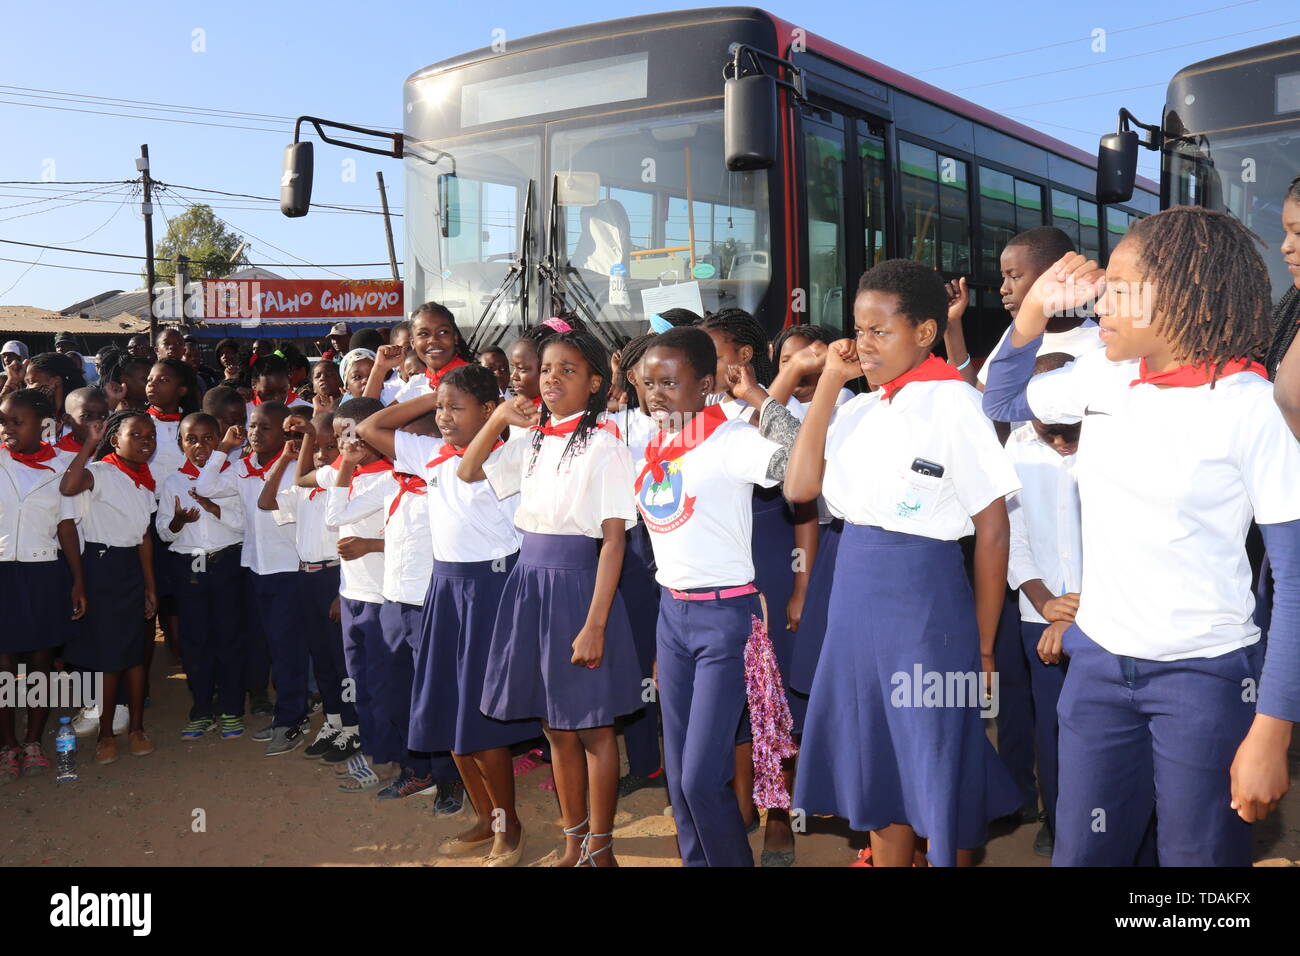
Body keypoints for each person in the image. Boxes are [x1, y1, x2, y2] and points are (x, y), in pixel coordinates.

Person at [983, 207, 1300, 867]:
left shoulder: (1248, 406)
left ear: (1186, 297)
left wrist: (1271, 733)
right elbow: (1002, 401)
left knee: (1197, 867)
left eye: (1120, 288)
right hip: (1096, 669)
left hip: (1205, 679)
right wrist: (1035, 310)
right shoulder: (1105, 374)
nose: (1101, 301)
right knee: (1083, 854)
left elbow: (1295, 585)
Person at [786, 258, 1023, 867]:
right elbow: (799, 490)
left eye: (879, 331)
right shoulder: (860, 408)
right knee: (877, 758)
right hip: (853, 599)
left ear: (923, 332)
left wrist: (987, 647)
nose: (863, 345)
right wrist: (832, 388)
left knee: (937, 755)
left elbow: (993, 531)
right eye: (858, 331)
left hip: (924, 605)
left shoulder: (953, 403)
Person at [457, 329, 642, 867]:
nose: (553, 378)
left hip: (579, 589)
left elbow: (614, 541)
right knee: (556, 727)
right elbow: (469, 470)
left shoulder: (606, 444)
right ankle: (572, 841)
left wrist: (596, 624)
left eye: (568, 369)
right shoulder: (532, 439)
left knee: (593, 727)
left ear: (594, 383)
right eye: (546, 369)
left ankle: (601, 848)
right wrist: (496, 420)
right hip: (530, 585)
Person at [633, 327, 802, 866]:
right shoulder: (654, 444)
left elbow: (802, 458)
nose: (655, 394)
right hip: (673, 614)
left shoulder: (729, 440)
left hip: (725, 618)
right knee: (680, 778)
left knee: (703, 777)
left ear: (706, 384)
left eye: (670, 383)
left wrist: (757, 396)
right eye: (648, 382)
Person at [358, 363, 538, 865]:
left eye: (456, 409)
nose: (443, 418)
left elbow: (473, 467)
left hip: (492, 591)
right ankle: (484, 817)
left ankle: (510, 825)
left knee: (480, 726)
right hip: (445, 588)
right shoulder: (431, 453)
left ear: (488, 410)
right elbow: (372, 427)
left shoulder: (511, 455)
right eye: (440, 408)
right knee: (449, 716)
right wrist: (433, 394)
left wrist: (497, 417)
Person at [698, 308, 811, 859]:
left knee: (773, 696)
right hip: (712, 579)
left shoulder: (771, 414)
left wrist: (799, 586)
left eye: (711, 352)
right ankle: (740, 803)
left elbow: (805, 501)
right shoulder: (692, 415)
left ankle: (779, 816)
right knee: (732, 700)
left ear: (743, 359)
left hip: (767, 567)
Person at [1002, 352, 1083, 858]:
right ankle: (1058, 823)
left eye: (1068, 431)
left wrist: (1083, 607)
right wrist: (1046, 601)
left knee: (1097, 727)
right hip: (1038, 614)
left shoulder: (1110, 446)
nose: (1058, 441)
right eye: (1048, 429)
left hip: (1111, 613)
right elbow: (1013, 539)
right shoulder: (1015, 450)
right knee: (1050, 727)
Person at [195, 401, 308, 756]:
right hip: (257, 568)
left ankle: (291, 721)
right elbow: (206, 486)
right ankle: (287, 716)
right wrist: (224, 449)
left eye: (266, 428)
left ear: (285, 433)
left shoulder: (294, 469)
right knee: (272, 646)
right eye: (253, 426)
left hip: (289, 569)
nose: (256, 433)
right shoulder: (242, 468)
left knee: (288, 650)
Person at [257, 412, 362, 765]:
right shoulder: (304, 491)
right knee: (321, 659)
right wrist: (291, 454)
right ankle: (332, 722)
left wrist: (339, 593)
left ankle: (353, 727)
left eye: (329, 446)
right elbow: (266, 502)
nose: (320, 453)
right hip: (305, 577)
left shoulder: (344, 486)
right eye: (315, 447)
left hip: (335, 578)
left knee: (340, 659)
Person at [59, 410, 160, 764]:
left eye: (151, 436)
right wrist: (89, 442)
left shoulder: (144, 482)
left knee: (134, 654)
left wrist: (150, 587)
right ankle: (105, 733)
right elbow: (68, 486)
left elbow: (144, 538)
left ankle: (136, 728)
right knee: (108, 656)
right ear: (115, 440)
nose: (147, 441)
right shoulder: (101, 472)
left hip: (130, 570)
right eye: (137, 435)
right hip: (101, 567)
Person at [0, 389, 86, 780]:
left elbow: (66, 527)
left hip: (44, 570)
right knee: (2, 666)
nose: (8, 429)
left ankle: (33, 739)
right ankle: (8, 744)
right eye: (4, 421)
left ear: (44, 424)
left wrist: (78, 581)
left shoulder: (62, 467)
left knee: (40, 662)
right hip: (3, 570)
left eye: (18, 422)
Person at [155, 412, 246, 740]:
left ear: (220, 439)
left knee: (230, 637)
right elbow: (164, 533)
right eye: (191, 439)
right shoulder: (172, 481)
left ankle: (233, 709)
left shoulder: (233, 475)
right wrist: (178, 521)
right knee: (195, 641)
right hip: (189, 567)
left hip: (227, 563)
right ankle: (201, 709)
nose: (200, 446)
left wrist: (212, 508)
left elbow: (243, 524)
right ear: (181, 444)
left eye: (209, 438)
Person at [1267, 174, 1300, 437]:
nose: (1285, 247)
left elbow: (1292, 398)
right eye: (1286, 233)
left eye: (1298, 232)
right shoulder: (1291, 310)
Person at [390, 302, 474, 405]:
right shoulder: (417, 382)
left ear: (455, 337)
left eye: (443, 332)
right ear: (413, 343)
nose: (433, 340)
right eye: (423, 334)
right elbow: (373, 420)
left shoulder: (476, 379)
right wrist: (379, 369)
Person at [58, 386, 109, 454]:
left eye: (103, 416)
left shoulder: (118, 450)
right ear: (67, 419)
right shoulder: (52, 457)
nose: (98, 423)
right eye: (87, 416)